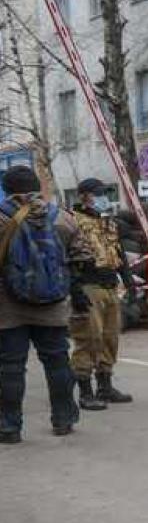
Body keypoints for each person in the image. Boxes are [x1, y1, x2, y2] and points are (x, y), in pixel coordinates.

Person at [0, 167, 88, 442]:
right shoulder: (62, 217)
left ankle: (9, 427)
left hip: (8, 308)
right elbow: (83, 258)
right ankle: (63, 419)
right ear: (37, 186)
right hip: (53, 305)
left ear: (6, 188)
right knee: (58, 362)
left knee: (10, 367)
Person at [69, 177, 135, 409]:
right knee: (88, 338)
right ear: (84, 196)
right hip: (88, 286)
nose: (104, 198)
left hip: (109, 286)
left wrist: (128, 280)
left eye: (105, 193)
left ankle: (105, 386)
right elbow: (66, 258)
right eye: (98, 194)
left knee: (110, 337)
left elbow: (119, 253)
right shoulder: (72, 221)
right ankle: (86, 392)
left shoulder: (108, 222)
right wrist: (75, 289)